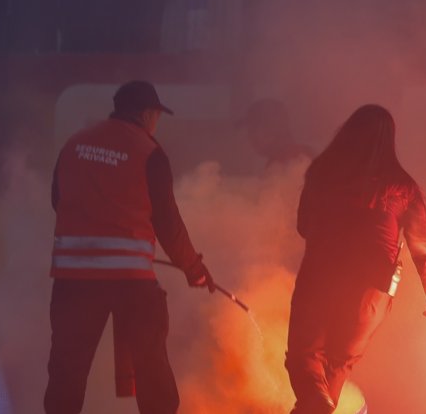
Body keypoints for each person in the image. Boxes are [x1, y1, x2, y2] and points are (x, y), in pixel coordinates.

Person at [45, 80, 215, 414]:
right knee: (151, 369)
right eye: (157, 116)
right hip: (130, 282)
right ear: (148, 113)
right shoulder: (149, 151)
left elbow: (58, 199)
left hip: (73, 281)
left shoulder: (74, 144)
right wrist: (193, 268)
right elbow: (167, 221)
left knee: (67, 373)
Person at [285, 104, 426, 414]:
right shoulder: (403, 187)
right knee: (338, 364)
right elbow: (424, 248)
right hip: (374, 291)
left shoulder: (320, 173)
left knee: (304, 357)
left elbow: (303, 226)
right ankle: (318, 406)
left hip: (321, 278)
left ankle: (315, 404)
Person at [238, 98, 312, 170]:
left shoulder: (298, 162)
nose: (249, 136)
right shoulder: (277, 162)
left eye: (252, 130)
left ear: (271, 129)